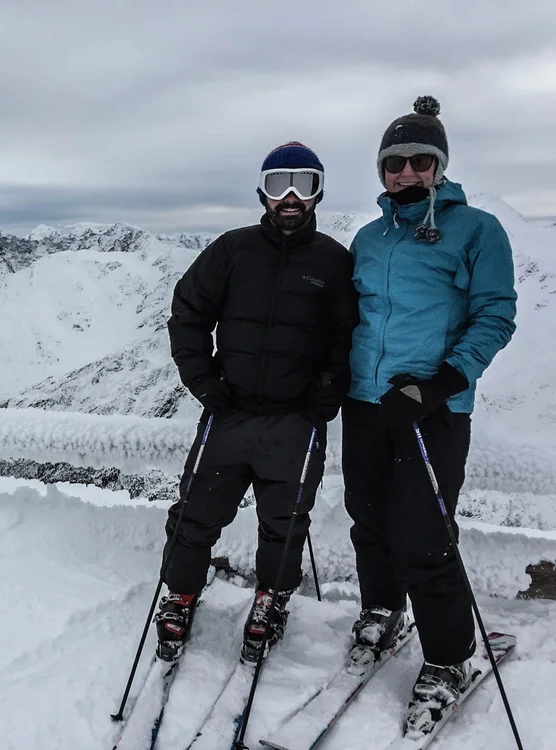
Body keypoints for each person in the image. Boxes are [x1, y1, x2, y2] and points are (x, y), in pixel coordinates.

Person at [341, 96, 517, 732]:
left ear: (439, 167)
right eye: (395, 163)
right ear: (382, 172)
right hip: (365, 404)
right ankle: (382, 608)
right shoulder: (368, 237)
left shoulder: (477, 230)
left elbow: (496, 315)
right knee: (368, 517)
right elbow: (354, 317)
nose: (407, 172)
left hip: (431, 410)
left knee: (424, 532)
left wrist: (440, 384)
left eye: (420, 161)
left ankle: (449, 657)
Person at [158, 142, 358, 664]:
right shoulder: (232, 250)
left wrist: (328, 391)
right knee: (195, 516)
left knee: (286, 523)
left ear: (318, 193)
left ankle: (272, 599)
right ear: (262, 194)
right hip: (230, 411)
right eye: (278, 185)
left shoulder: (334, 261)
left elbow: (347, 335)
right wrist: (202, 380)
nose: (290, 196)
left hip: (296, 420)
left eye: (303, 183)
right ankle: (179, 594)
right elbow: (188, 313)